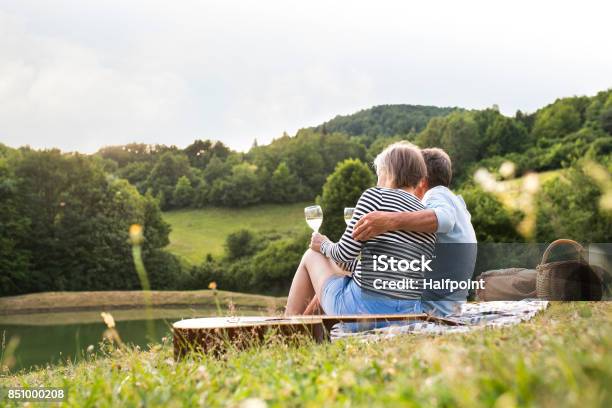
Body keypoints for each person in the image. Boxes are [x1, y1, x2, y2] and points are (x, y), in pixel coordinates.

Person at [285, 142, 436, 316]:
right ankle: (307, 334)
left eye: (378, 173)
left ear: (388, 172)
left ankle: (287, 327)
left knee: (312, 255)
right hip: (406, 314)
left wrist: (323, 245)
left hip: (361, 310)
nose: (377, 180)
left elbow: (343, 254)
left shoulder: (375, 196)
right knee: (341, 272)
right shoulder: (425, 215)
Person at [352, 147, 477, 316]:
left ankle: (310, 330)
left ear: (422, 181)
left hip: (430, 309)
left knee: (341, 272)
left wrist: (389, 221)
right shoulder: (455, 203)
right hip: (449, 307)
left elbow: (445, 219)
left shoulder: (435, 195)